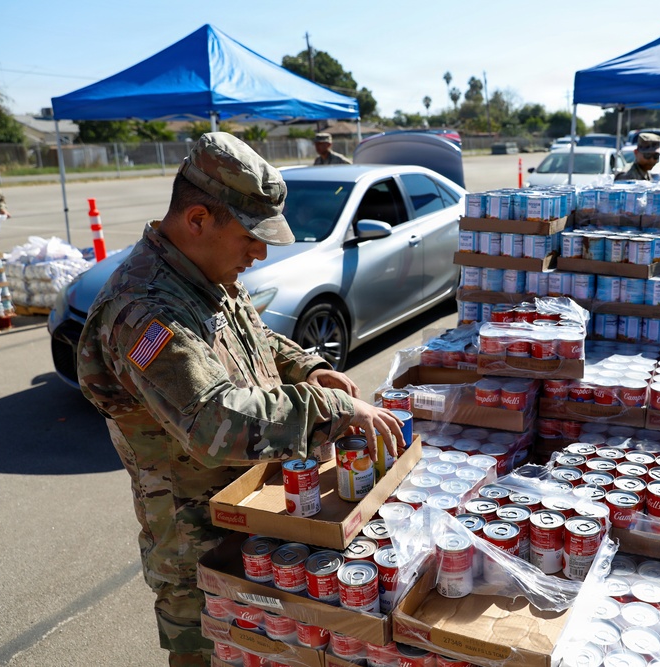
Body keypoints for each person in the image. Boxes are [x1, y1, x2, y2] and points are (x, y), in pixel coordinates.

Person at [76, 132, 403, 667]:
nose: (261, 251)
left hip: (250, 519)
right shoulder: (146, 310)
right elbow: (214, 423)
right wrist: (336, 411)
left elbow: (254, 337)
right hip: (199, 548)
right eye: (251, 235)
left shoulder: (203, 274)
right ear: (198, 219)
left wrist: (309, 367)